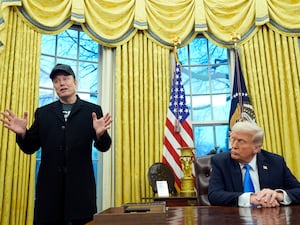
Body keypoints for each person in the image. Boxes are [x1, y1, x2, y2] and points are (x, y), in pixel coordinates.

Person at [0, 64, 112, 225]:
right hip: (49, 192)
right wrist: (23, 133)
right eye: (56, 81)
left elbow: (104, 146)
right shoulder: (43, 113)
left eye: (66, 79)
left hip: (80, 190)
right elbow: (30, 147)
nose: (61, 83)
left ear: (75, 82)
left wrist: (101, 134)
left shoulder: (92, 111)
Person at [208, 121, 300, 208]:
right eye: (232, 139)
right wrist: (251, 198)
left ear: (256, 148)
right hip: (235, 218)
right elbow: (214, 195)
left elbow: (297, 190)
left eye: (241, 141)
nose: (234, 146)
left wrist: (278, 195)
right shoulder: (221, 162)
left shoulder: (275, 162)